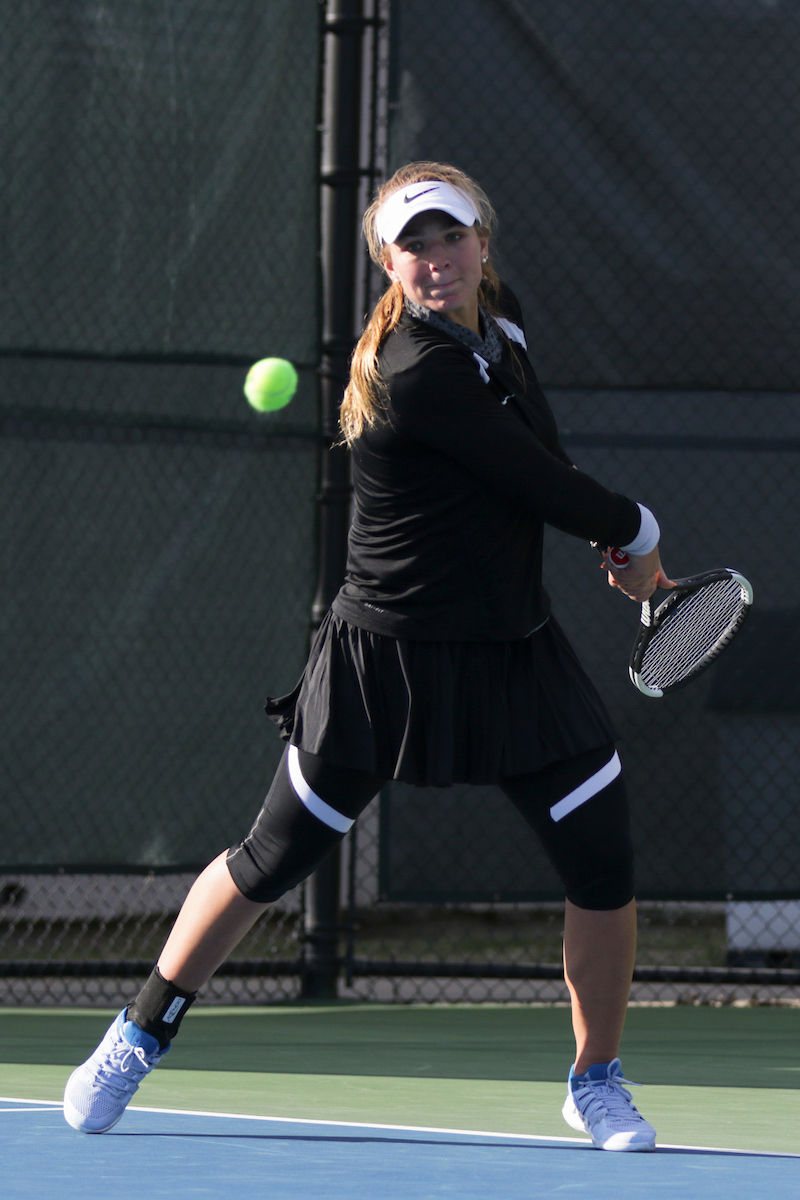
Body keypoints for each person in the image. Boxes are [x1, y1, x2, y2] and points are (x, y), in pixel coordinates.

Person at [64, 161, 672, 1151]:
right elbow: (535, 480)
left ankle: (593, 1079)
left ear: (482, 241)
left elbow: (541, 468)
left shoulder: (499, 329)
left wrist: (618, 547)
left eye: (449, 238)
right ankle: (137, 1032)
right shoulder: (415, 369)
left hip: (512, 657)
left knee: (601, 865)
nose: (434, 260)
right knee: (270, 858)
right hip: (384, 663)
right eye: (412, 246)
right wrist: (635, 529)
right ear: (388, 264)